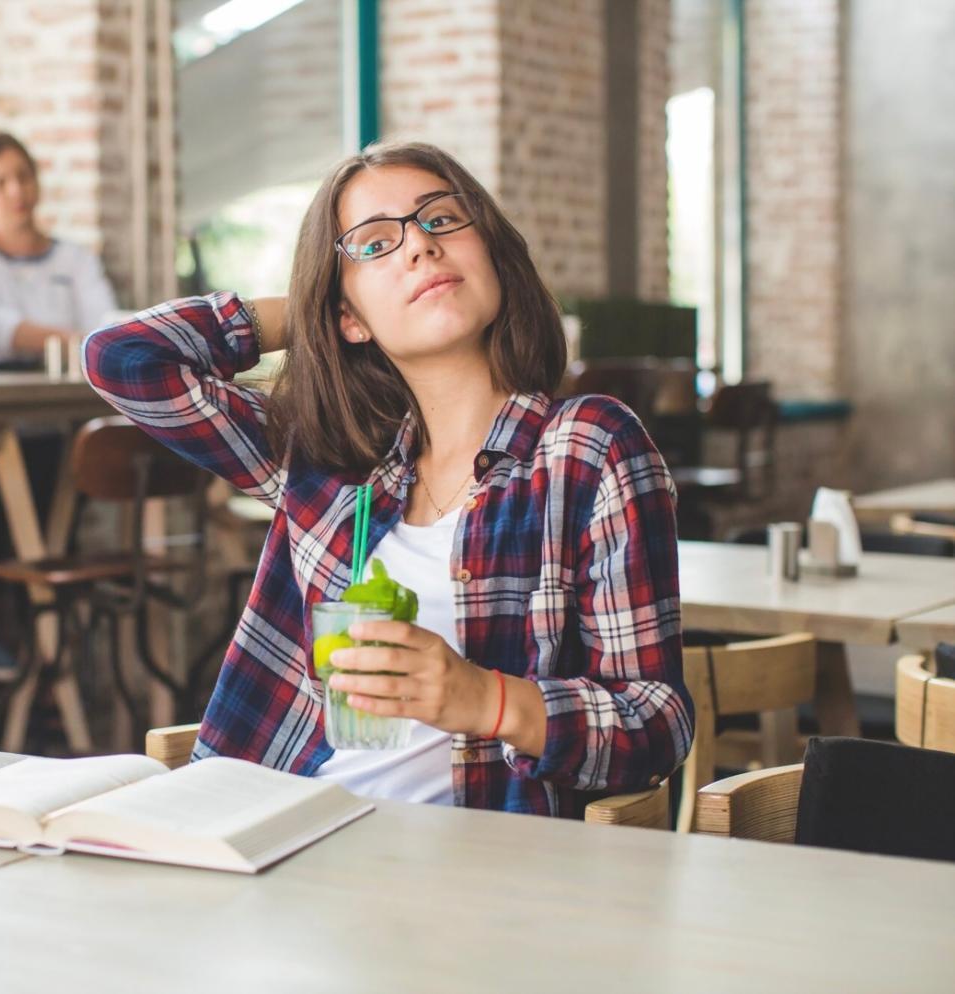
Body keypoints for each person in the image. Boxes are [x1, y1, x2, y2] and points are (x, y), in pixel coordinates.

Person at [83, 140, 692, 817]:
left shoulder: (587, 447)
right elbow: (123, 358)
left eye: (442, 219)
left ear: (493, 251)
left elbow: (657, 724)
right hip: (276, 831)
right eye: (375, 244)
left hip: (472, 861)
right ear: (347, 317)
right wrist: (318, 308)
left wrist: (485, 700)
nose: (420, 246)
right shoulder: (327, 461)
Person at [0, 132, 118, 377]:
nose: (16, 191)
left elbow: (105, 325)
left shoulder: (77, 257)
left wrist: (92, 344)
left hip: (62, 389)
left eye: (24, 177)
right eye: (0, 183)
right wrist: (78, 343)